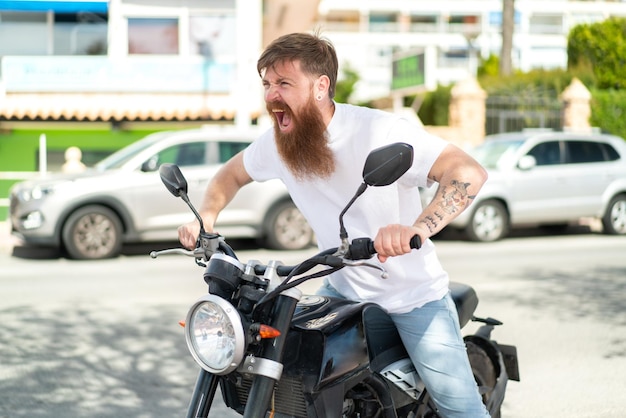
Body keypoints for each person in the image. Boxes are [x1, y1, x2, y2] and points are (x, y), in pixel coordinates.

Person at [178, 32, 489, 417]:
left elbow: (467, 171)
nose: (272, 95)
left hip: (413, 296)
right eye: (267, 84)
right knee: (299, 388)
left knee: (461, 410)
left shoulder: (378, 132)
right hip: (342, 289)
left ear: (321, 86)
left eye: (284, 83)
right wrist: (206, 217)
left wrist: (417, 229)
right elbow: (230, 176)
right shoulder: (279, 144)